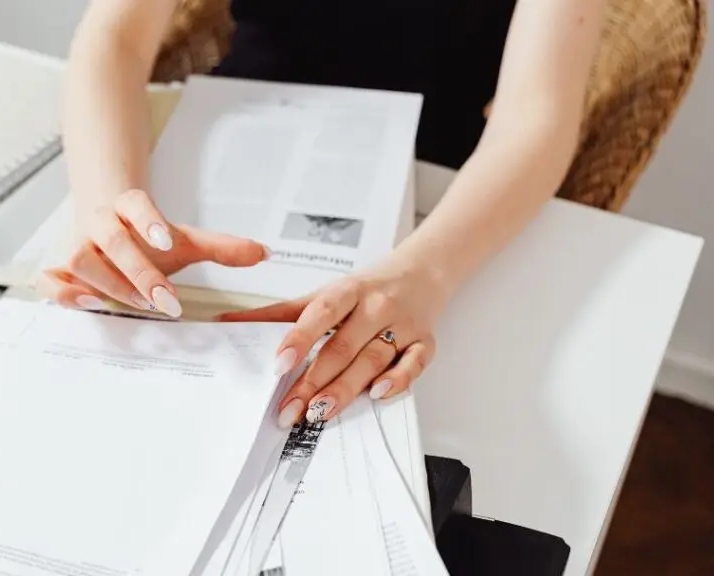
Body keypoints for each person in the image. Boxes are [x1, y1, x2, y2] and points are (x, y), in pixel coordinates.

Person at [43, 0, 608, 427]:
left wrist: (425, 275)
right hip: (223, 164)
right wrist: (111, 205)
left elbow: (537, 113)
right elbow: (115, 36)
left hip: (434, 206)